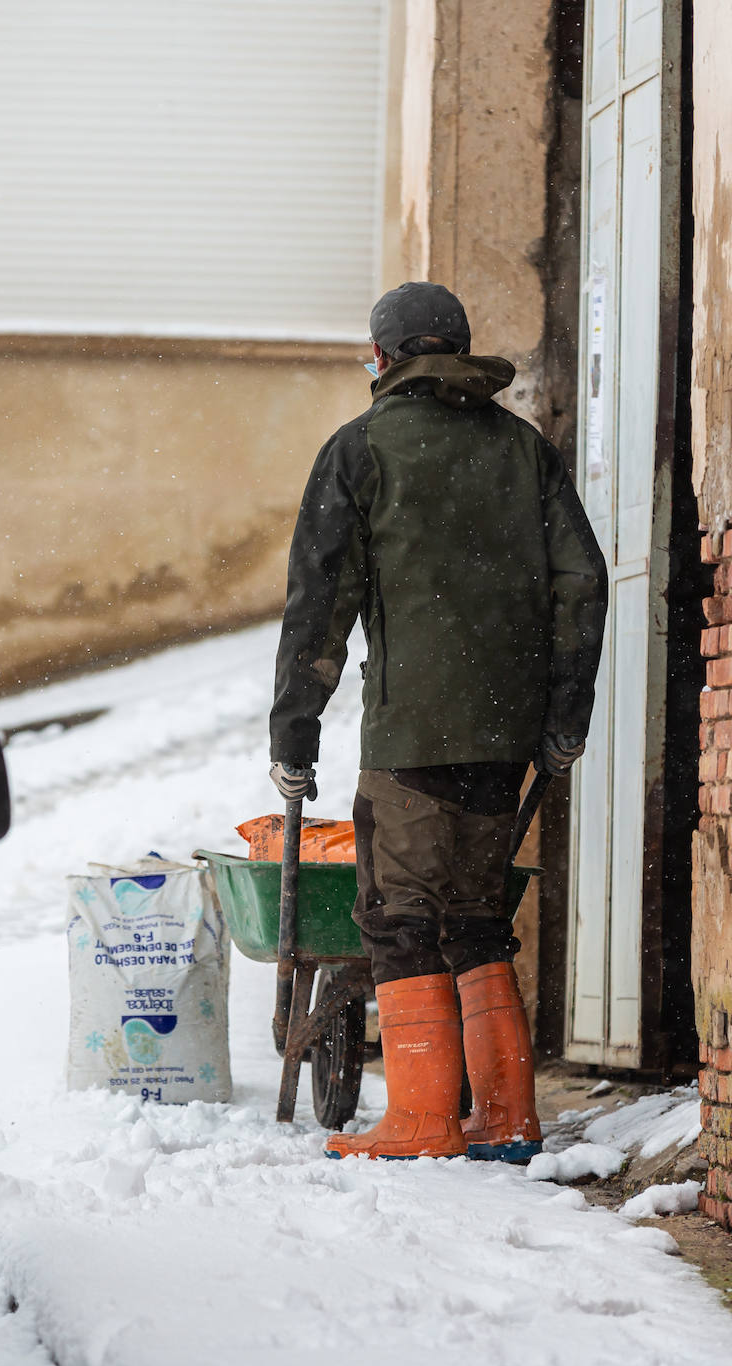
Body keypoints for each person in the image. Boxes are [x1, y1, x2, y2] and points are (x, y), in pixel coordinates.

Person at [268, 282, 607, 1163]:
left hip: (412, 732)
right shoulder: (524, 450)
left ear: (381, 360)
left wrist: (293, 736)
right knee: (478, 917)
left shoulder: (361, 449)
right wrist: (563, 717)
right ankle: (506, 1115)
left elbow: (319, 608)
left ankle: (421, 1120)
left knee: (400, 915)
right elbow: (582, 582)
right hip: (506, 737)